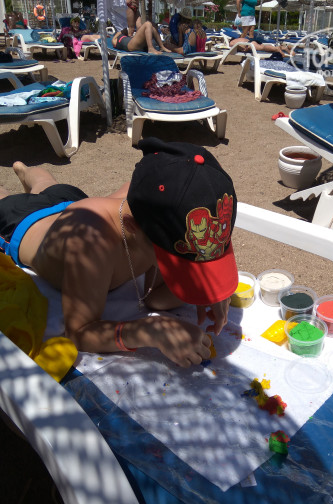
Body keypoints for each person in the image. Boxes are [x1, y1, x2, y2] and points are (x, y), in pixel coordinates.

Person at [0, 139, 238, 368]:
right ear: (132, 226)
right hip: (23, 222)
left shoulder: (154, 204)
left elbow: (155, 298)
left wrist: (208, 287)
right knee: (10, 198)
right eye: (182, 261)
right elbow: (79, 332)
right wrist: (148, 331)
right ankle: (22, 174)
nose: (190, 268)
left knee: (46, 185)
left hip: (72, 201)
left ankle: (27, 172)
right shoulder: (89, 245)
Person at [229, 36, 293, 57]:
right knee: (264, 47)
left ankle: (277, 49)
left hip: (249, 44)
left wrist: (244, 49)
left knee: (263, 48)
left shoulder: (231, 43)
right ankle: (284, 48)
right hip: (252, 41)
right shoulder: (239, 38)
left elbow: (237, 46)